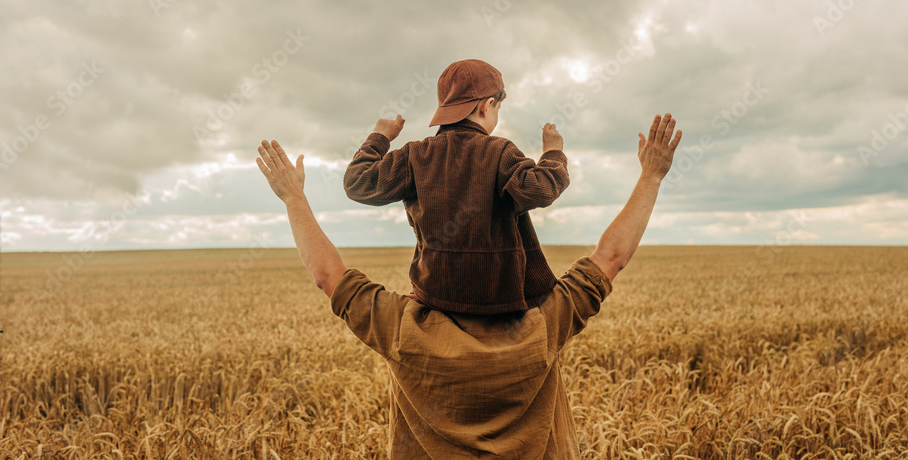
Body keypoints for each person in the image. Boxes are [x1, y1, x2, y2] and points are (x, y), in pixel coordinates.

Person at [255, 113, 682, 458]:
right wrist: (651, 176)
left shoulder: (404, 331)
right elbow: (611, 257)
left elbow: (328, 276)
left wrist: (294, 197)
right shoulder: (542, 326)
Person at [343, 59, 570, 315]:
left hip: (436, 299)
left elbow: (356, 182)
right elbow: (542, 189)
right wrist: (553, 154)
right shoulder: (499, 151)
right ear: (488, 106)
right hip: (499, 304)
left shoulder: (414, 155)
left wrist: (380, 138)